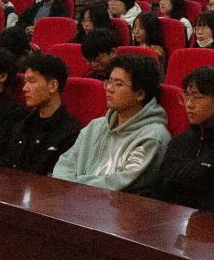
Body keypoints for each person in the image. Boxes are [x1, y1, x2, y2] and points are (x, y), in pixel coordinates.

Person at [142, 65, 214, 213]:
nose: (189, 104)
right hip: (166, 219)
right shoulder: (179, 141)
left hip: (205, 223)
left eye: (197, 97)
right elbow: (160, 189)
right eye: (187, 96)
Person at [52, 54, 171, 191]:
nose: (109, 88)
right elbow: (66, 163)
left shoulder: (152, 137)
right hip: (74, 197)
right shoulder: (96, 126)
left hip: (115, 203)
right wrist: (67, 187)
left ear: (140, 94)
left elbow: (122, 183)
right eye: (109, 81)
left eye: (118, 84)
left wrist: (74, 187)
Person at [0, 51, 82, 174]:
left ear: (53, 86)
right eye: (25, 82)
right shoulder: (22, 125)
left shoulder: (70, 132)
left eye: (31, 81)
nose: (25, 88)